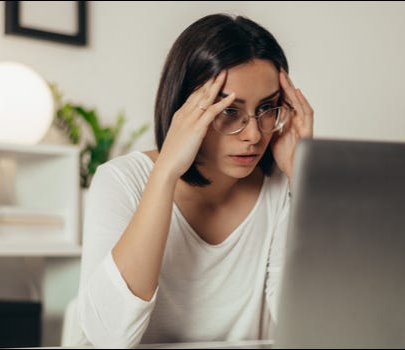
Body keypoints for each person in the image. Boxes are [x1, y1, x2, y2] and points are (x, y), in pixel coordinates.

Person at [76, 13, 314, 348]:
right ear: (184, 108)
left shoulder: (281, 188)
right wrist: (165, 173)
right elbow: (107, 337)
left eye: (268, 108)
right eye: (229, 111)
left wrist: (303, 180)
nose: (253, 134)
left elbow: (307, 325)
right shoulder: (120, 180)